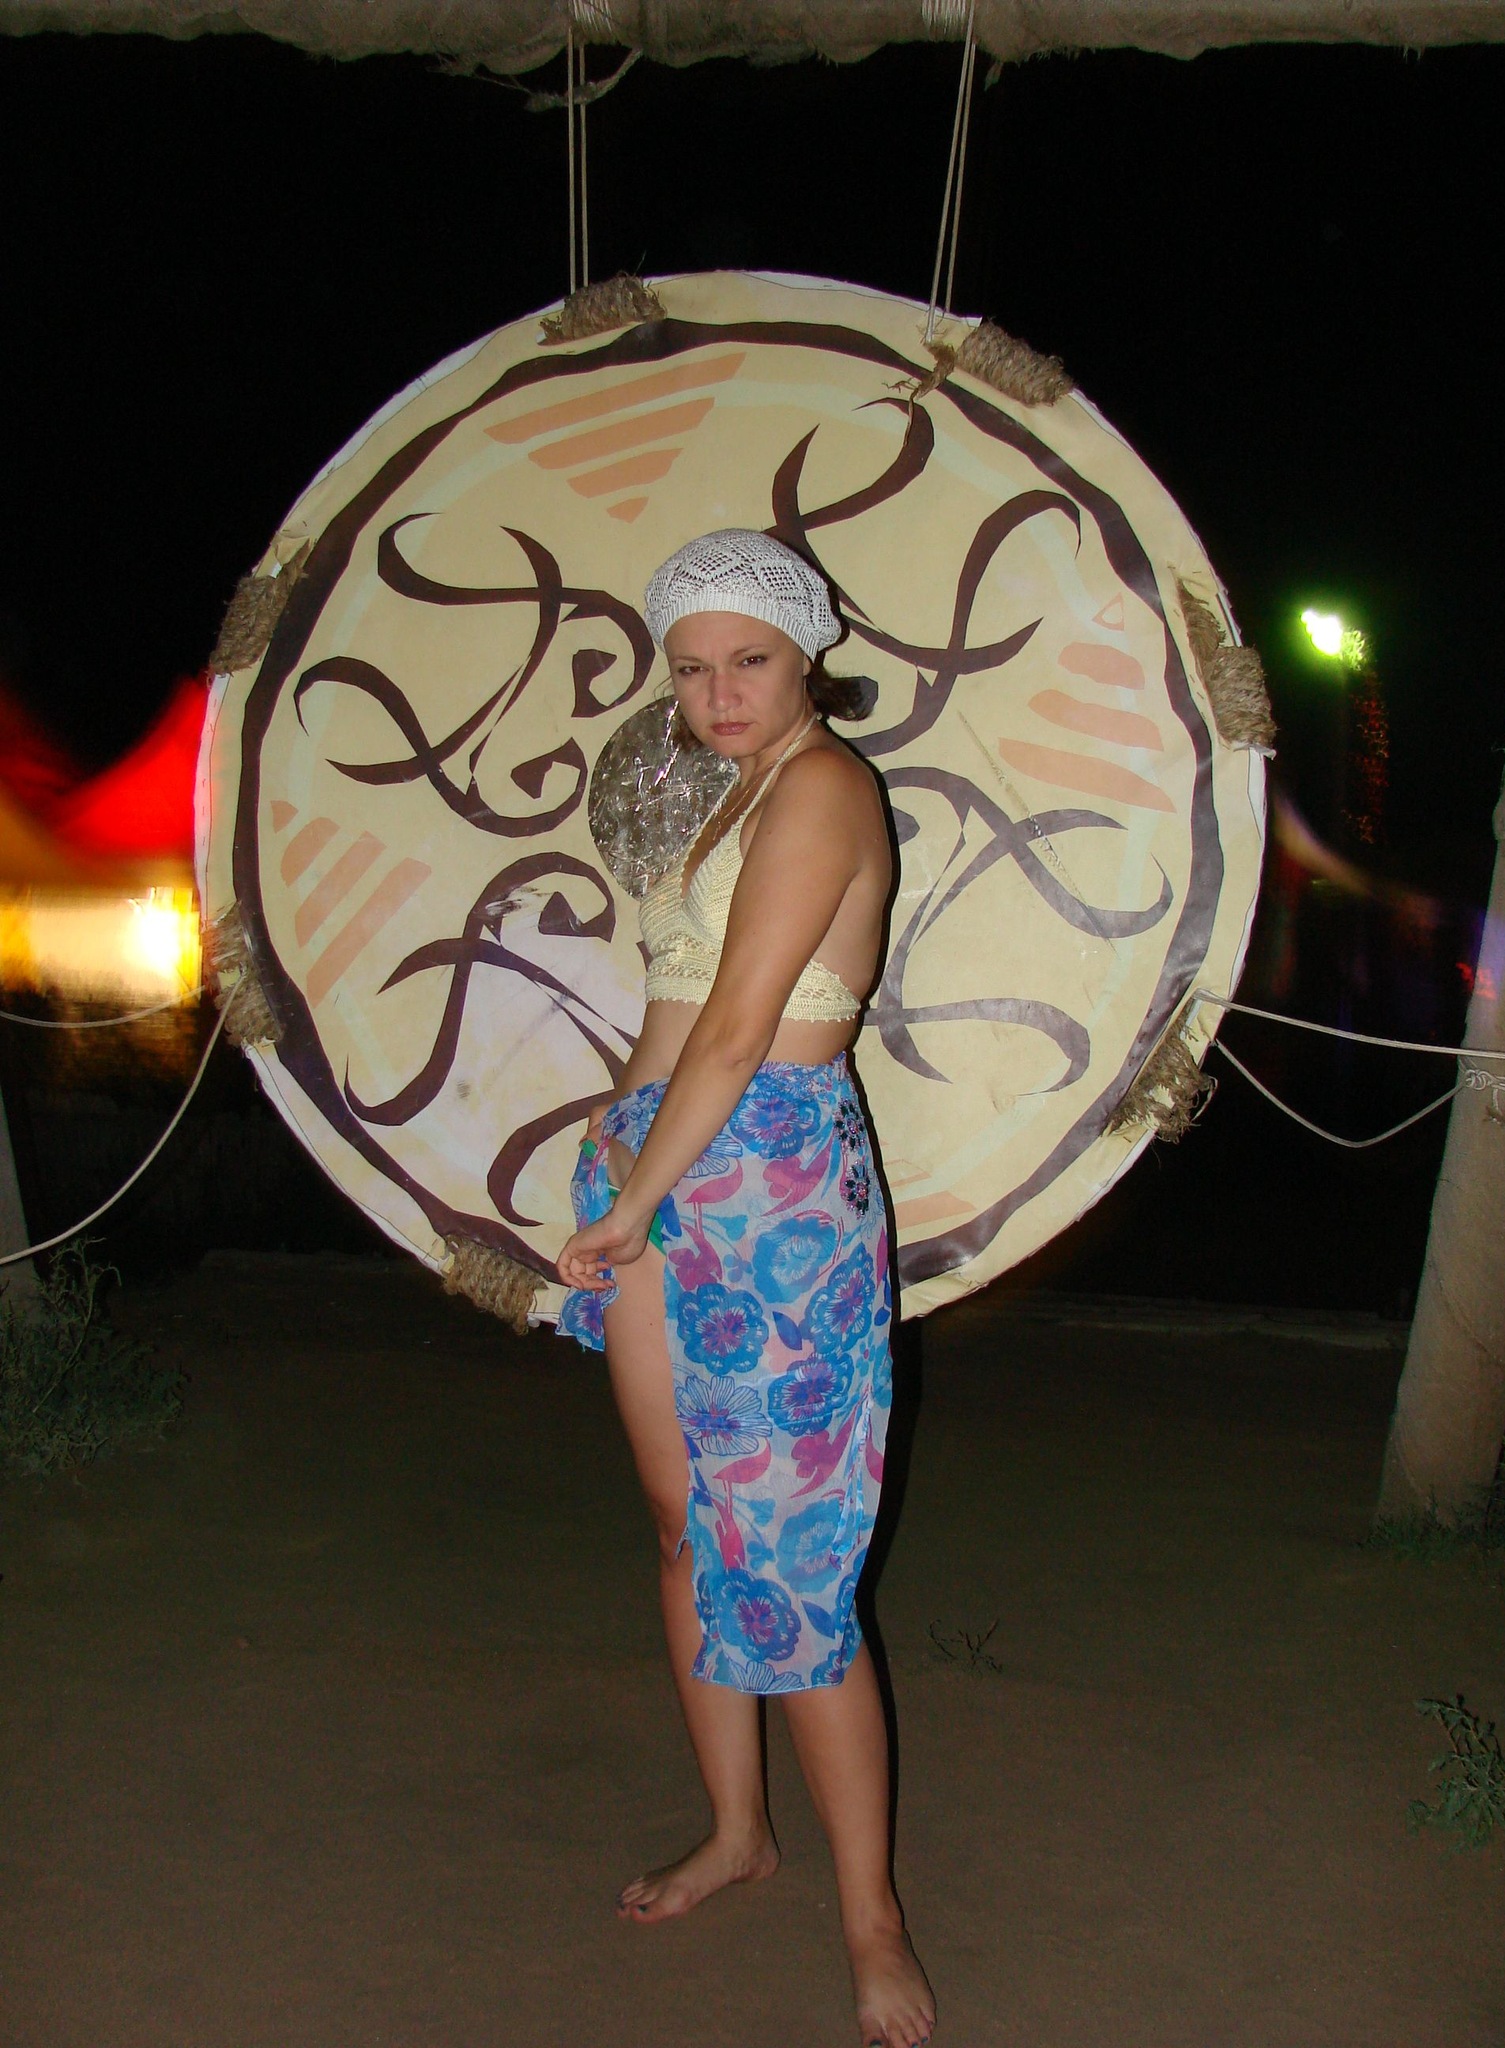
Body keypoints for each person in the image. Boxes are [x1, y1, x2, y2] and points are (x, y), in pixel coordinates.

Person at [555, 530, 935, 2048]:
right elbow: (669, 1010)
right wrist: (615, 1148)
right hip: (662, 1162)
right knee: (684, 1530)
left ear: (807, 655)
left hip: (770, 1188)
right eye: (693, 668)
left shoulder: (827, 787)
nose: (718, 693)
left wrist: (632, 1199)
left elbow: (738, 1030)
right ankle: (737, 1832)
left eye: (750, 662)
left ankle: (873, 1919)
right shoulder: (725, 791)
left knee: (790, 1570)